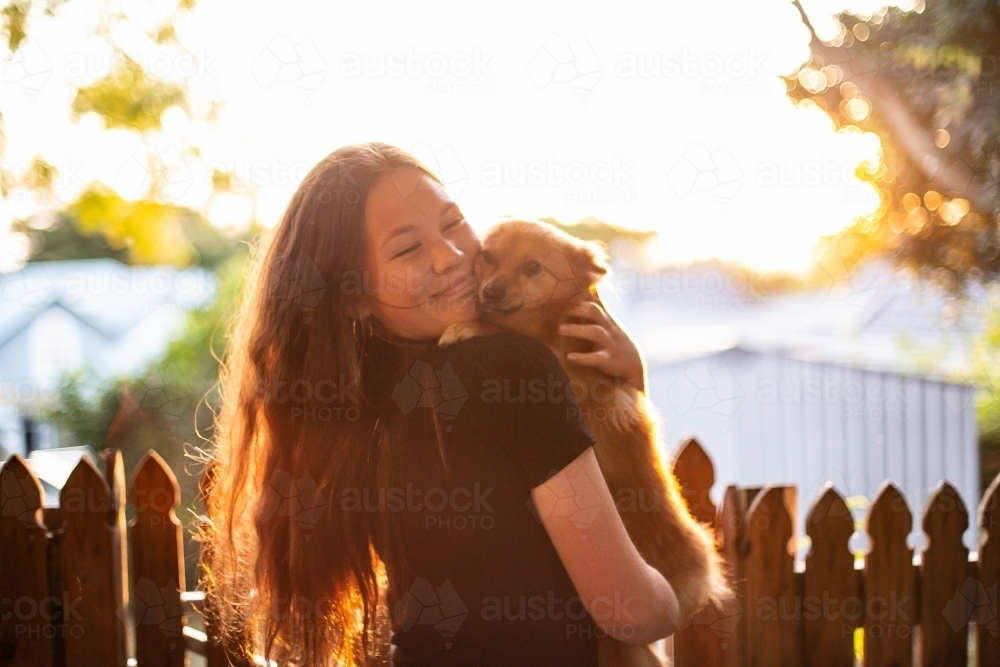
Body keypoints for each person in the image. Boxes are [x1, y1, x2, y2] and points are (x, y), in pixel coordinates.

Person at [197, 142, 681, 667]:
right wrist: (672, 602)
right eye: (407, 249)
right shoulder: (509, 369)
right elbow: (629, 609)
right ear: (353, 294)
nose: (449, 255)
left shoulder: (365, 403)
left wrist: (626, 382)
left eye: (453, 223)